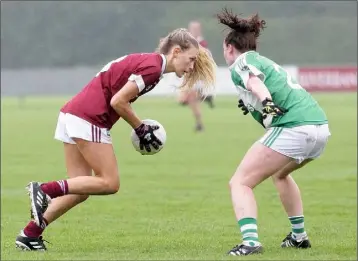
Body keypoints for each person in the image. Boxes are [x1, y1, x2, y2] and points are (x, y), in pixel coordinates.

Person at [15, 28, 216, 251]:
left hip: (73, 113)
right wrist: (140, 128)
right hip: (89, 117)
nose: (191, 67)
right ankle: (44, 189)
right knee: (110, 183)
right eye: (191, 60)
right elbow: (118, 101)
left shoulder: (150, 64)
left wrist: (139, 126)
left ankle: (29, 235)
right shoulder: (153, 68)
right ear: (176, 51)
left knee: (79, 190)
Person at [216, 9, 331, 256]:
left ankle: (250, 243)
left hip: (295, 127)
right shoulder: (264, 61)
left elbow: (256, 84)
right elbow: (263, 88)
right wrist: (257, 103)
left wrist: (264, 101)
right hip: (320, 128)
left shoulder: (241, 63)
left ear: (228, 47)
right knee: (280, 174)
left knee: (240, 182)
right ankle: (299, 237)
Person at [177, 20, 215, 132]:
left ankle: (199, 124)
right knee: (184, 100)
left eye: (195, 29)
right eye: (192, 28)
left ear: (199, 30)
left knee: (190, 99)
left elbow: (203, 59)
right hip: (188, 74)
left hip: (196, 75)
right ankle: (205, 97)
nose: (193, 30)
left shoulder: (201, 43)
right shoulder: (188, 41)